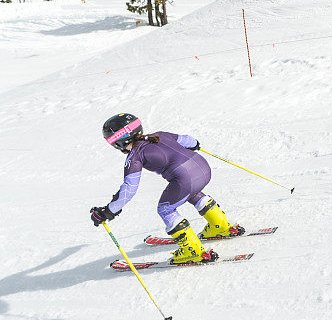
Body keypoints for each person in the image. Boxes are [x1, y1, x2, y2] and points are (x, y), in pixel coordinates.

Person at [91, 113, 244, 264]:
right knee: (191, 193)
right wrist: (195, 145)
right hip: (203, 168)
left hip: (185, 179)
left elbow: (129, 189)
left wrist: (108, 211)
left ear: (118, 142)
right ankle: (220, 226)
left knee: (165, 209)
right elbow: (189, 141)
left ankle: (192, 251)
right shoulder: (158, 135)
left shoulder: (135, 156)